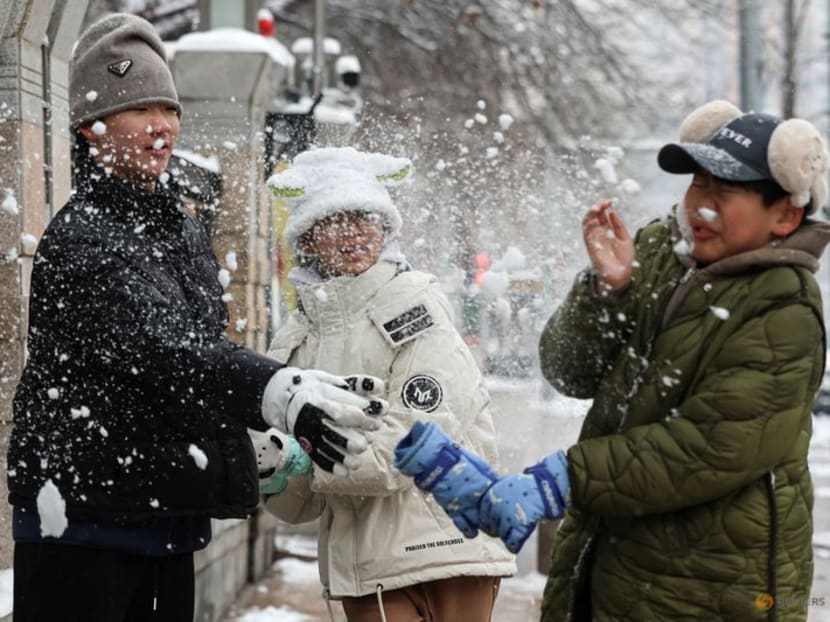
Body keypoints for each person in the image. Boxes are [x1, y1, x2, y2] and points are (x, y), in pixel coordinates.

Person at [7, 14, 386, 622]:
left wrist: (254, 441)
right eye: (141, 110)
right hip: (81, 529)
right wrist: (276, 391)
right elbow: (168, 352)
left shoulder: (178, 226)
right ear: (90, 126)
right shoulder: (84, 240)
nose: (162, 127)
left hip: (161, 520)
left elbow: (198, 362)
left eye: (170, 109)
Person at [394, 99, 830, 621]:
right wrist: (609, 290)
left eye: (726, 192)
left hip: (711, 583)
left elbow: (710, 447)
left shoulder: (784, 306)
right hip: (609, 554)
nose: (702, 205)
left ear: (785, 213)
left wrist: (565, 479)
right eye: (698, 184)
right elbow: (566, 370)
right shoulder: (659, 251)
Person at [258, 146, 516, 622]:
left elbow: (405, 450)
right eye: (337, 218)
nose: (356, 231)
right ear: (308, 238)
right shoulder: (297, 338)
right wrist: (272, 467)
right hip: (365, 567)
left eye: (369, 217)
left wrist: (302, 453)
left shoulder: (416, 308)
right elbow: (301, 505)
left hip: (445, 554)